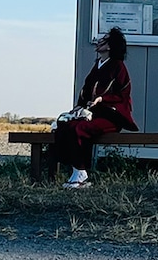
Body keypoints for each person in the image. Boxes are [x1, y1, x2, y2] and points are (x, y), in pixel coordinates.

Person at [53, 26, 137, 188]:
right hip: (94, 114)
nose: (99, 42)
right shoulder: (98, 64)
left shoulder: (118, 67)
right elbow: (86, 89)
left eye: (103, 40)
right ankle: (76, 170)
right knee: (66, 125)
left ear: (110, 46)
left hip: (111, 116)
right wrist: (79, 106)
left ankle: (81, 172)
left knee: (79, 128)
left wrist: (102, 99)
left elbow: (123, 95)